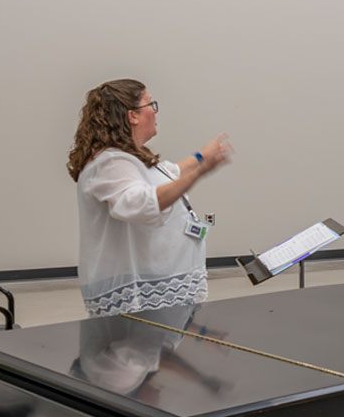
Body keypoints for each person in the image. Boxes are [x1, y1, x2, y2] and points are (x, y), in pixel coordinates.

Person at [69, 79, 233, 315]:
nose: (155, 112)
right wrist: (199, 172)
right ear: (132, 116)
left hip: (159, 280)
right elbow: (140, 203)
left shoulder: (133, 157)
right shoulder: (111, 162)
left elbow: (170, 172)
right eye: (150, 104)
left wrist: (201, 157)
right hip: (136, 291)